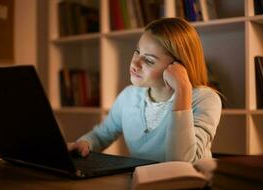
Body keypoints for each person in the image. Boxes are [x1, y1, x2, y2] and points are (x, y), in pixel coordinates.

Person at [68, 17, 222, 163]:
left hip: (190, 188)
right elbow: (101, 135)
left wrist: (183, 89)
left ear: (178, 68)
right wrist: (85, 143)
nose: (135, 63)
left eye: (148, 60)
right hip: (142, 185)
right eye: (137, 51)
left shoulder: (205, 99)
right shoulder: (129, 96)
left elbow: (181, 162)